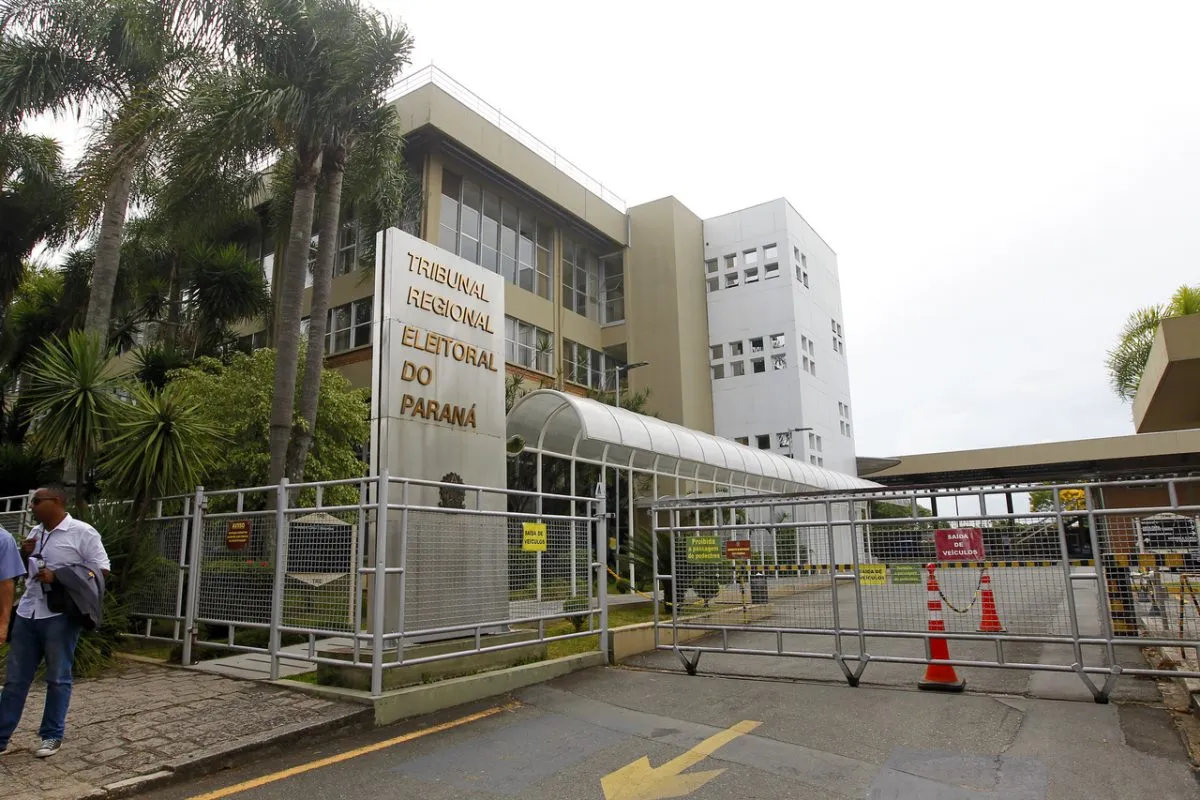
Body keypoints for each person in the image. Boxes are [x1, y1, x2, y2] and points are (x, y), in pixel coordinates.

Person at [0, 486, 110, 758]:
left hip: (59, 615)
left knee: (58, 678)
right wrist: (24, 554)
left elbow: (101, 570)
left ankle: (51, 735)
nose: (32, 506)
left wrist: (59, 576)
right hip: (28, 612)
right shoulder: (35, 533)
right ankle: (1, 737)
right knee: (15, 680)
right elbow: (24, 571)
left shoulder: (82, 532)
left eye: (37, 501)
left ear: (57, 501)